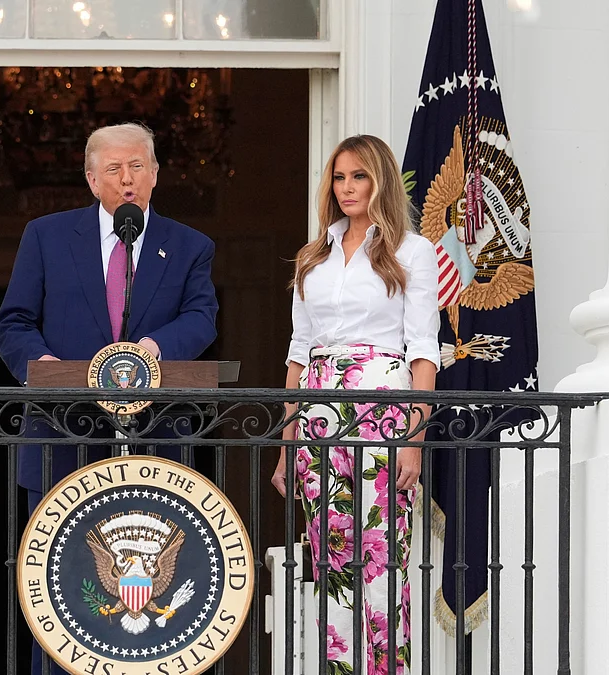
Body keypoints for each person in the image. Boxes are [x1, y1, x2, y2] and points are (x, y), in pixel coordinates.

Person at [0, 122, 218, 675]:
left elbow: (202, 318)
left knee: (156, 613)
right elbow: (14, 321)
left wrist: (153, 348)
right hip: (60, 441)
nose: (127, 181)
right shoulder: (45, 236)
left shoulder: (190, 245)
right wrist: (40, 365)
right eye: (114, 170)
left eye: (137, 167)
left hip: (156, 444)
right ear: (92, 179)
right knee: (62, 599)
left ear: (156, 174)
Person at [271, 135, 440, 674]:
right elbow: (298, 352)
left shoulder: (411, 251)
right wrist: (286, 440)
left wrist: (412, 443)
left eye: (359, 177)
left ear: (381, 181)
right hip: (318, 411)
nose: (347, 188)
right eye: (340, 177)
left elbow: (423, 353)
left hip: (383, 407)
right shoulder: (312, 254)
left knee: (384, 557)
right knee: (333, 560)